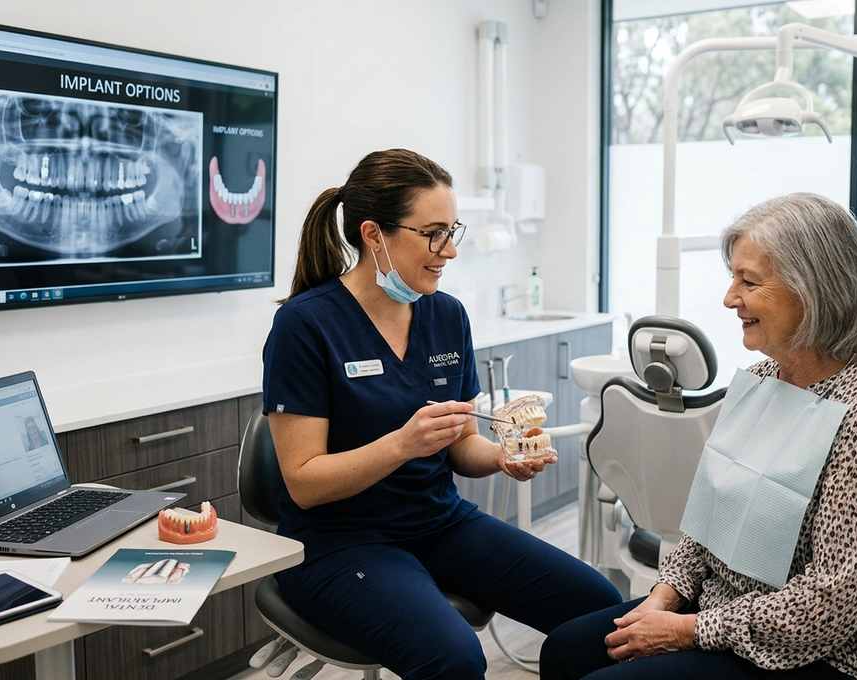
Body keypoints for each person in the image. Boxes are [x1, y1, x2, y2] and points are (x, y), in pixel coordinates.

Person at [541, 193, 857, 680]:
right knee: (564, 651)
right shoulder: (763, 379)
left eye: (748, 282)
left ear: (812, 290)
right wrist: (666, 595)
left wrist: (686, 631)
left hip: (842, 656)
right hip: (732, 616)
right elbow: (707, 519)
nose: (730, 298)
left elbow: (831, 603)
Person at [261, 149, 622, 680]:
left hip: (439, 522)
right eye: (433, 233)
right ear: (374, 235)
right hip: (338, 543)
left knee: (603, 613)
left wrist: (500, 458)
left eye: (452, 230)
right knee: (452, 659)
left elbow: (460, 447)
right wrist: (402, 444)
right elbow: (303, 483)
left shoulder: (446, 315)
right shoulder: (305, 326)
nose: (450, 250)